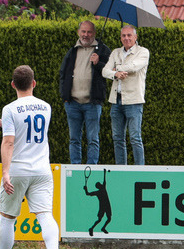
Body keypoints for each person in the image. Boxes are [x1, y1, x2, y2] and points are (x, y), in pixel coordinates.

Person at [0, 65, 62, 249]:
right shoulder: (46, 107)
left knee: (7, 217)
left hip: (18, 170)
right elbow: (29, 131)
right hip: (42, 170)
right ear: (34, 83)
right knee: (45, 215)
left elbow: (9, 142)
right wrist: (2, 124)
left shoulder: (10, 109)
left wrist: (6, 173)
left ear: (13, 84)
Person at [58, 20, 110, 164]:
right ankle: (75, 167)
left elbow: (110, 72)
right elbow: (63, 73)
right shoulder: (72, 51)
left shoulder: (103, 50)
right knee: (74, 139)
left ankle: (91, 168)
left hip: (92, 103)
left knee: (93, 139)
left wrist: (98, 63)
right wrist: (65, 97)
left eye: (89, 32)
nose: (86, 35)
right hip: (72, 103)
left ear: (94, 33)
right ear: (78, 32)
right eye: (83, 31)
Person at [103, 25, 149, 165]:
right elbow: (105, 71)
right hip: (116, 100)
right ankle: (120, 169)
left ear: (135, 37)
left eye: (129, 35)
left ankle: (139, 169)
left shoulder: (143, 52)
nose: (126, 38)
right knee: (118, 138)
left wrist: (117, 69)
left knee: (135, 138)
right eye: (124, 35)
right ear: (121, 37)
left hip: (134, 101)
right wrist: (115, 74)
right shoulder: (116, 52)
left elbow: (134, 66)